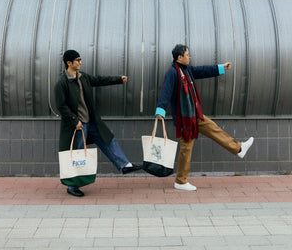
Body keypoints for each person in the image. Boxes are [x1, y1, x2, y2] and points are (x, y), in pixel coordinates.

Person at [155, 44, 254, 191]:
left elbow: (203, 70)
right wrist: (160, 110)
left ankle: (238, 149)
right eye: (187, 55)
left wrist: (221, 68)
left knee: (213, 129)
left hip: (195, 115)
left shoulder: (187, 70)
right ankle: (181, 181)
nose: (190, 57)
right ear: (179, 57)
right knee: (186, 148)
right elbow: (166, 91)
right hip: (184, 119)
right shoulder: (173, 72)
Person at [54, 50, 142, 197]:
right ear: (69, 62)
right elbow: (61, 106)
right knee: (78, 154)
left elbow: (100, 80)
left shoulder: (83, 77)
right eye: (77, 60)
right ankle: (72, 186)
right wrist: (74, 121)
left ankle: (125, 165)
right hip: (77, 126)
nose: (80, 62)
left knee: (108, 139)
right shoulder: (62, 82)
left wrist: (119, 79)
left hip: (91, 122)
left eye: (80, 59)